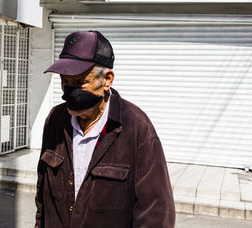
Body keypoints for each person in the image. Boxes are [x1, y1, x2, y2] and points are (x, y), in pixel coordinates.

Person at [35, 31, 175, 228]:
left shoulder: (137, 129)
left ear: (107, 80)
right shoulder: (55, 120)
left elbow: (156, 214)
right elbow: (42, 196)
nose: (69, 91)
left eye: (79, 82)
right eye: (64, 81)